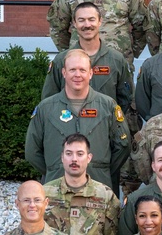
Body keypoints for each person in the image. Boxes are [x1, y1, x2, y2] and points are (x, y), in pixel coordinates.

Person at [25, 49, 131, 193]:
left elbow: (123, 145)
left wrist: (100, 169)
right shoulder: (46, 108)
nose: (77, 75)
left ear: (90, 73)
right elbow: (32, 151)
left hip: (98, 187)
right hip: (57, 189)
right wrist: (56, 168)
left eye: (82, 70)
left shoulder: (107, 106)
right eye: (72, 70)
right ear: (64, 73)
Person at [40, 2, 135, 124]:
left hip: (105, 130)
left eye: (91, 19)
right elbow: (49, 99)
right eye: (81, 20)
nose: (87, 25)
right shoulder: (61, 61)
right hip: (69, 130)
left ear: (100, 21)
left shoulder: (116, 60)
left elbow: (126, 98)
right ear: (74, 23)